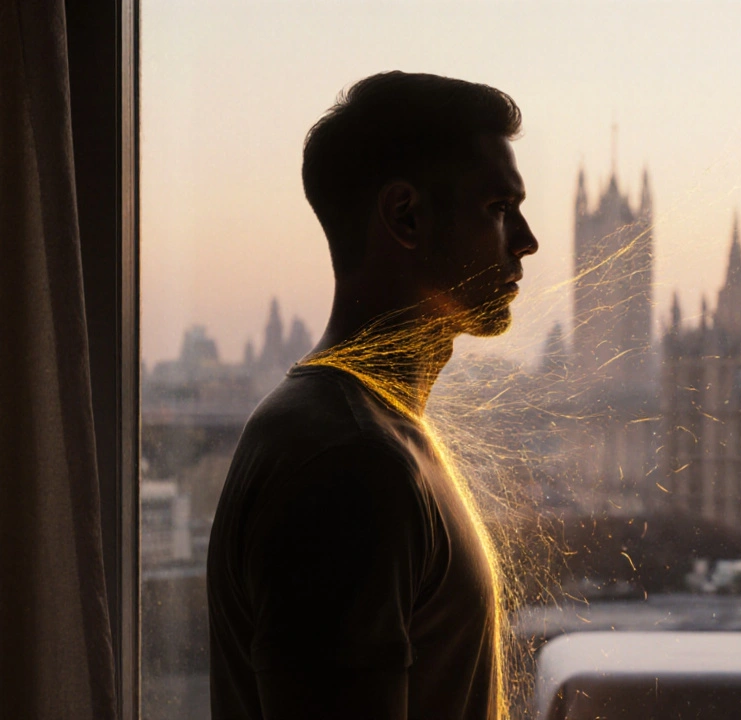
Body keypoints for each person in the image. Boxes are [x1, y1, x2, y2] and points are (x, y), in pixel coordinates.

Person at [206, 72, 538, 720]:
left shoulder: (365, 429)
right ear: (405, 216)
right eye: (498, 209)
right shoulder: (349, 463)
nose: (526, 239)